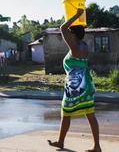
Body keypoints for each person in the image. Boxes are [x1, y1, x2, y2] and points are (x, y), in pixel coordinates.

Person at [47, 8, 102, 152]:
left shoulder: (74, 47)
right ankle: (96, 146)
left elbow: (62, 28)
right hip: (87, 84)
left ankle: (60, 142)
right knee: (90, 113)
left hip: (75, 87)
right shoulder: (84, 46)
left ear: (72, 35)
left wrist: (76, 15)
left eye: (70, 34)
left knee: (65, 113)